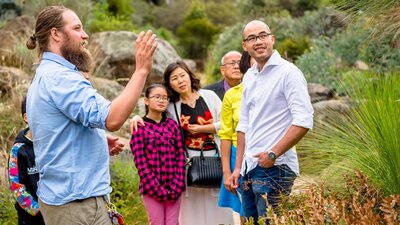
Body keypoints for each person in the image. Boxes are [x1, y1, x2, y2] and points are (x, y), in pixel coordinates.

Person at [25, 5, 157, 225]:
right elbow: (112, 119)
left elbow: (54, 131)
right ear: (55, 34)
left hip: (73, 202)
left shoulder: (48, 74)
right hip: (76, 207)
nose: (85, 35)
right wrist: (141, 70)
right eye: (77, 28)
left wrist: (92, 139)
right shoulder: (60, 77)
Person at [230, 20, 314, 224]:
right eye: (251, 38)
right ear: (245, 45)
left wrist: (273, 153)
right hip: (249, 167)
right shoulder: (250, 76)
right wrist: (238, 166)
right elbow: (243, 124)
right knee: (249, 222)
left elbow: (303, 120)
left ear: (272, 39)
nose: (258, 41)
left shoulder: (288, 73)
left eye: (262, 35)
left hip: (275, 166)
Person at [130, 84, 186, 225]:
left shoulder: (173, 126)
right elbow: (140, 162)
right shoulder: (140, 127)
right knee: (157, 222)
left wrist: (177, 184)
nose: (162, 101)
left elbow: (180, 156)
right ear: (146, 100)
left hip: (174, 187)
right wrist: (157, 188)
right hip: (151, 188)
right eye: (157, 97)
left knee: (173, 222)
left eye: (165, 98)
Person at [218, 50, 254, 220]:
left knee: (266, 206)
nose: (236, 66)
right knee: (243, 209)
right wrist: (227, 172)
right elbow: (224, 134)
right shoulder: (231, 95)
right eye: (231, 62)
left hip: (262, 152)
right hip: (235, 153)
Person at [8, 97, 45, 225]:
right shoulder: (18, 151)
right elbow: (17, 187)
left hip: (56, 213)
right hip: (31, 219)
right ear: (27, 117)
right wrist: (39, 210)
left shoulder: (50, 144)